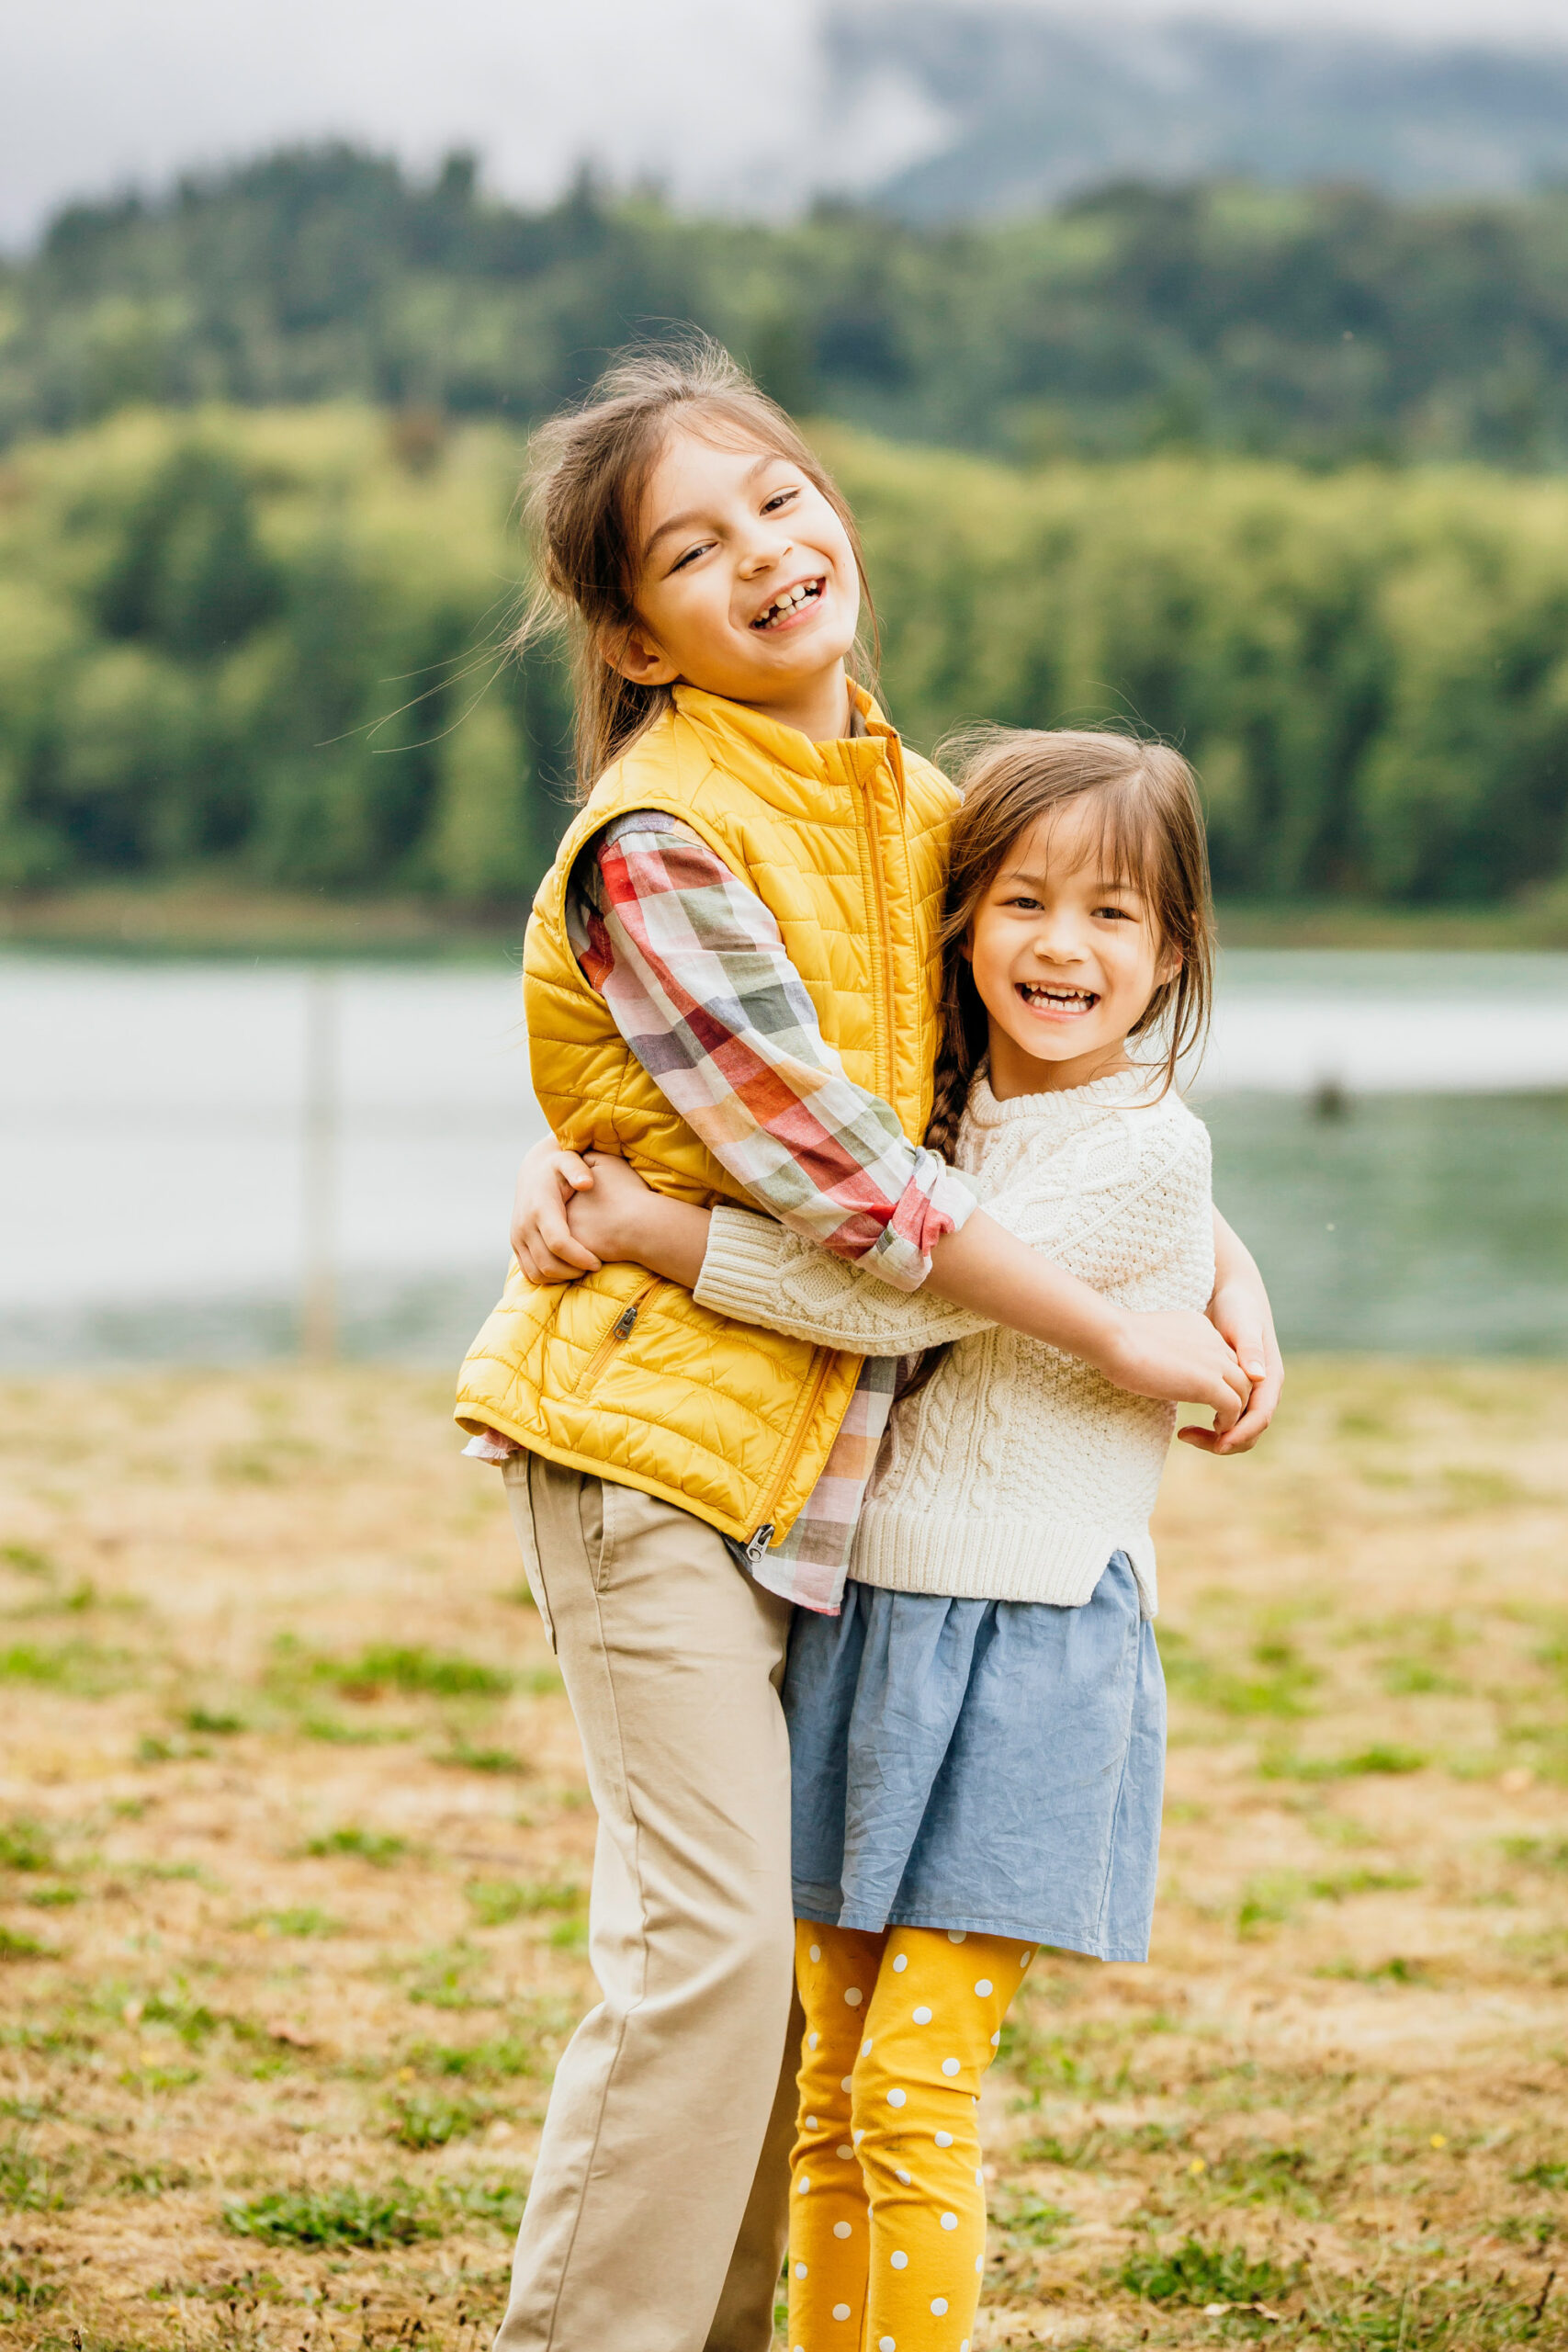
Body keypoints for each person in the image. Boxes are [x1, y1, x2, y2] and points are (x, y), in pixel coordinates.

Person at [456, 337, 1280, 2352]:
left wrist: (1217, 1261)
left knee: (769, 1981)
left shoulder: (914, 807)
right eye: (688, 547)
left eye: (777, 499)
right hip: (651, 1449)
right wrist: (1105, 1319)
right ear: (633, 632)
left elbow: (1012, 1111)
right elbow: (865, 1192)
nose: (760, 553)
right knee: (711, 1953)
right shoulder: (662, 840)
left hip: (828, 1481)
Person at [550, 724, 1236, 2352]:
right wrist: (580, 1154)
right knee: (835, 2096)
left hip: (1025, 1656)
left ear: (1173, 954)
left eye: (1113, 916)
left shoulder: (1152, 1154)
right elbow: (842, 1174)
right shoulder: (934, 1105)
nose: (1060, 947)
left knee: (916, 2091)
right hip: (864, 1635)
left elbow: (887, 1276)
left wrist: (658, 1234)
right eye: (1020, 901)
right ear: (961, 922)